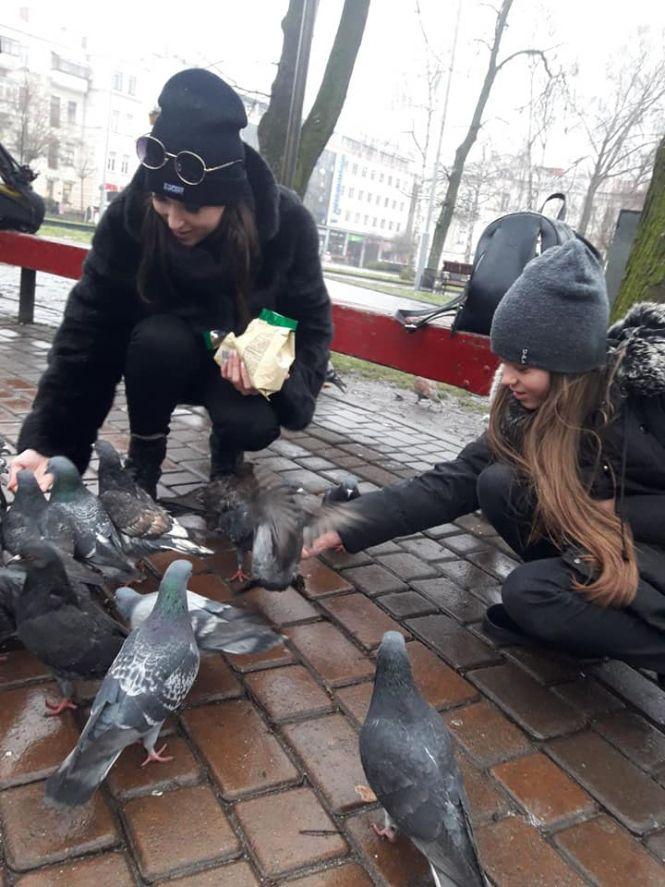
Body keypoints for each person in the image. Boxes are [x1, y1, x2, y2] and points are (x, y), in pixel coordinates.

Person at [305, 240, 665, 676]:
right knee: (497, 484)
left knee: (529, 596)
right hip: (608, 549)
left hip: (651, 553)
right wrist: (351, 522)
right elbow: (456, 479)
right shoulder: (528, 409)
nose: (507, 378)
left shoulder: (647, 404)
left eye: (523, 367)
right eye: (504, 360)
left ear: (568, 366)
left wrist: (620, 510)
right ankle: (580, 621)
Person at [8, 69, 332, 498]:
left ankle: (228, 457)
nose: (175, 221)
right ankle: (144, 462)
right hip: (160, 361)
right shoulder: (130, 219)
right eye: (163, 200)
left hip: (233, 370)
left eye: (193, 208)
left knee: (251, 424)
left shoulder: (286, 225)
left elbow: (310, 324)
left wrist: (275, 371)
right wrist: (50, 443)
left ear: (229, 199)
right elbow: (87, 333)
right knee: (158, 339)